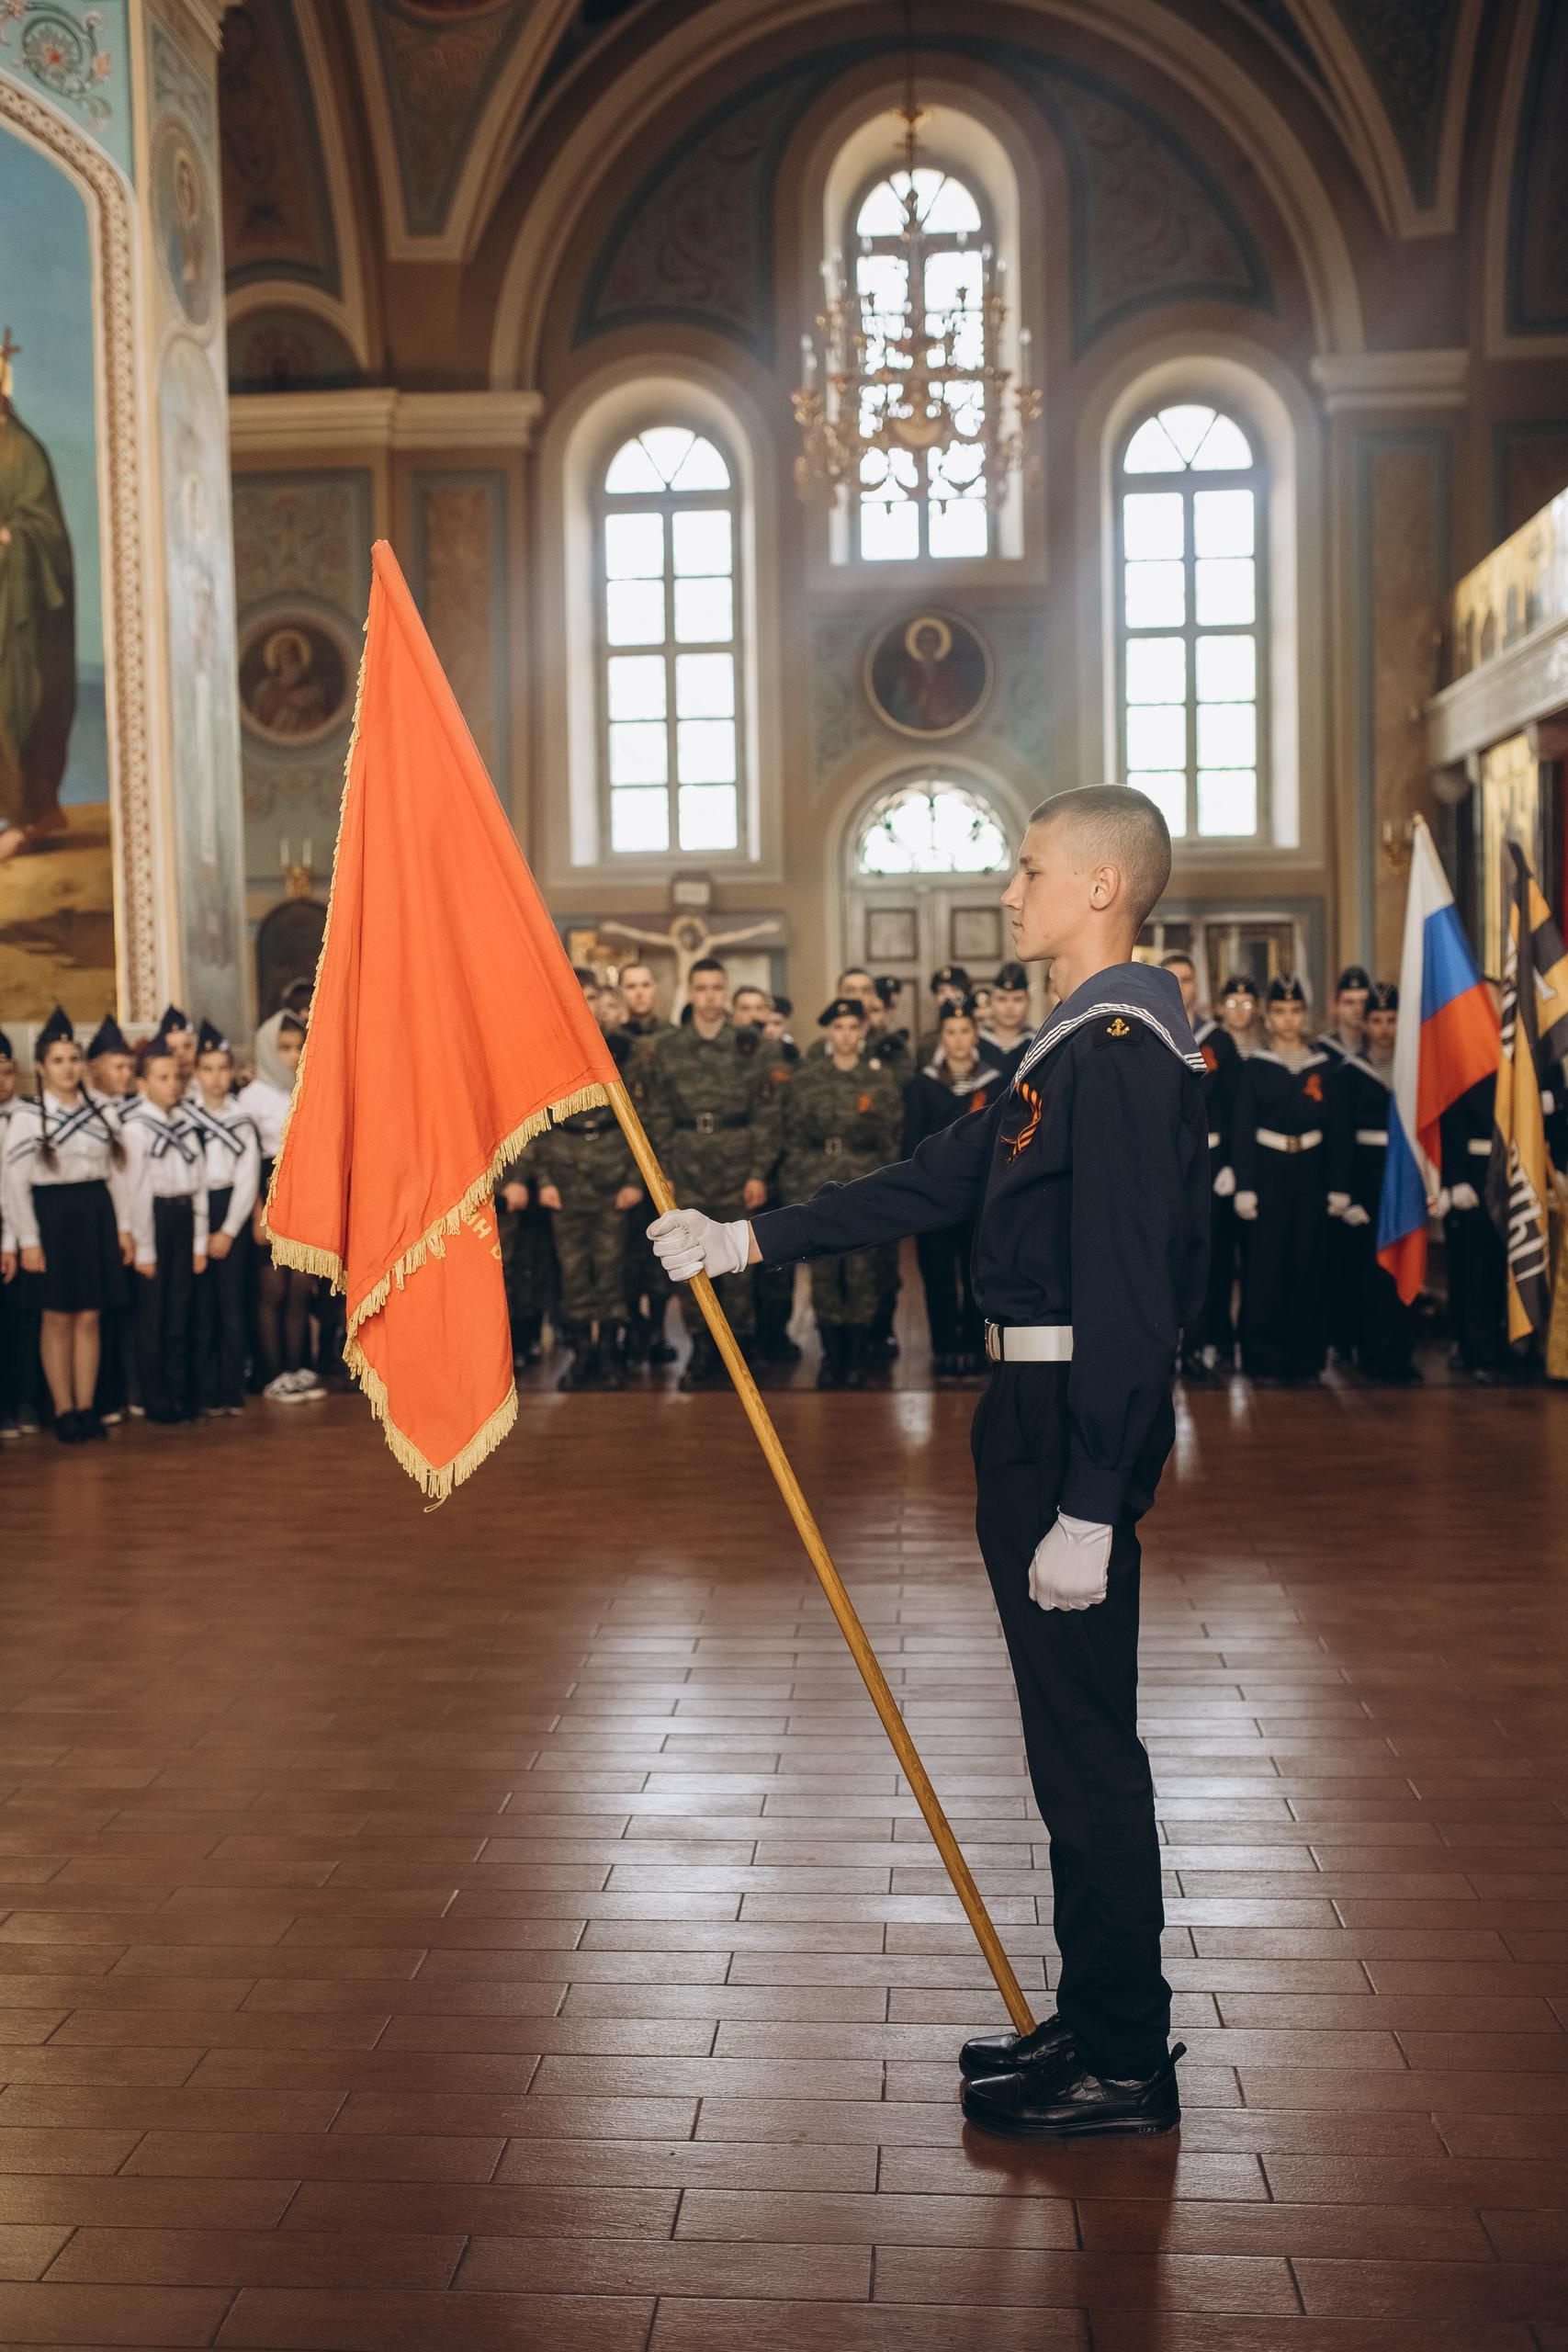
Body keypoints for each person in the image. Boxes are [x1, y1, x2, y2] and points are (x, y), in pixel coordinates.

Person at [649, 784, 1208, 2140]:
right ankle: (1095, 2014)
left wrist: (1092, 1498)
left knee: (1086, 1744)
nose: (1007, 891)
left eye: (1028, 868)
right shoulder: (1066, 1045)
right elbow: (939, 1177)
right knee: (1060, 1737)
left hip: (1068, 1415)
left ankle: (1128, 2060)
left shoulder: (1123, 1045)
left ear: (1100, 887)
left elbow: (1133, 1288)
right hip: (1026, 1408)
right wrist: (746, 1239)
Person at [635, 956, 781, 1388]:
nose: (710, 997)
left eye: (717, 988)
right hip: (686, 1162)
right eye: (701, 988)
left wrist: (758, 1173)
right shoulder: (666, 1047)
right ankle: (701, 1345)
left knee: (740, 1255)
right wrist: (664, 1174)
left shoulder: (751, 1047)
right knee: (690, 1255)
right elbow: (657, 1114)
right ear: (690, 991)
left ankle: (740, 1347)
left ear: (726, 991)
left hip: (738, 1162)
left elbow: (767, 1116)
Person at [1, 1006, 135, 1443]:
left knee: (90, 1315)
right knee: (57, 1316)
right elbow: (14, 1184)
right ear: (41, 1068)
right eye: (57, 1061)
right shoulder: (27, 1118)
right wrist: (28, 1239)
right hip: (52, 1216)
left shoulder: (103, 1113)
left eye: (74, 1059)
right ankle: (63, 1408)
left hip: (95, 1213)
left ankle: (86, 1406)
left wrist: (124, 1227)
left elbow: (118, 1177)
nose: (68, 1068)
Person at [773, 997, 903, 1389]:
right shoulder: (808, 1077)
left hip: (864, 1178)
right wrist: (798, 1187)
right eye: (838, 1028)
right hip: (817, 1178)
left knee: (862, 1270)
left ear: (862, 1032)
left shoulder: (880, 1079)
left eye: (853, 1028)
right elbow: (793, 1136)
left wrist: (886, 1188)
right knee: (825, 1269)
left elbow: (891, 1138)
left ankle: (858, 1356)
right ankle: (832, 1357)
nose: (846, 1035)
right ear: (829, 1033)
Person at [529, 1032, 644, 1390]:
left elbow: (641, 1128)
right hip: (565, 1184)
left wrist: (634, 1181)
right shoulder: (553, 1071)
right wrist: (544, 1181)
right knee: (573, 1272)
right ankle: (581, 1354)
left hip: (613, 1183)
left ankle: (608, 1352)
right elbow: (537, 1127)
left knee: (611, 1269)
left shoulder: (622, 1072)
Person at [1232, 976, 1331, 1383]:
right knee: (1265, 1266)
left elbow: (1336, 1129)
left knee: (1309, 1263)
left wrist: (1338, 1185)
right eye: (1280, 1011)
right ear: (1268, 1016)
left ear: (1304, 1014)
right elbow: (1242, 1127)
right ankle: (1263, 1357)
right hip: (1269, 1170)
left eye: (1295, 1011)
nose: (1288, 1019)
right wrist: (1245, 1185)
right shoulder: (1255, 1066)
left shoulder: (1322, 1065)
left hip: (1312, 1171)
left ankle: (1306, 1358)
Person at [902, 1001, 1006, 1375]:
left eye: (965, 1031)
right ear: (941, 1038)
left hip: (981, 1196)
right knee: (938, 1273)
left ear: (975, 1035)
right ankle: (945, 1347)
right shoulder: (922, 1085)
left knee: (977, 1273)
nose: (959, 1039)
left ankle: (975, 1347)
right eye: (951, 1032)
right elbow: (911, 1143)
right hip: (935, 1195)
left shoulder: (996, 1082)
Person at [1325, 981, 1417, 1382]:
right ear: (1365, 1024)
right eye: (1377, 1020)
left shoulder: (1415, 1072)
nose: (1385, 1029)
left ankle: (1402, 1352)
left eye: (1392, 1020)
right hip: (1366, 1181)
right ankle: (1372, 1352)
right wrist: (1344, 1191)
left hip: (1405, 1179)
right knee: (1368, 1270)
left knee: (1404, 1265)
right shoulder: (1349, 1073)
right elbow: (1340, 1136)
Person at [238, 1010, 323, 1403]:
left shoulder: (308, 1085)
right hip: (267, 1184)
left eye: (297, 1046)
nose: (292, 1055)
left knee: (300, 1286)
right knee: (272, 1287)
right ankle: (271, 1372)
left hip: (303, 1184)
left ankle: (297, 1367)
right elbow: (246, 1161)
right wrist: (257, 1210)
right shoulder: (251, 1097)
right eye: (283, 1048)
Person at [1163, 952, 1241, 1377]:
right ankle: (1163, 1345)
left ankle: (1202, 1343)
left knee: (1208, 1254)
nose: (1180, 986)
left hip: (1211, 1159)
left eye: (1187, 979)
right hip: (1163, 1160)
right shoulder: (1148, 1032)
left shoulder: (1220, 1041)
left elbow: (1235, 1107)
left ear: (1198, 986)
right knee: (1163, 1254)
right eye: (1171, 977)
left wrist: (1230, 1164)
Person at [122, 1043, 208, 1425]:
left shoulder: (186, 1124)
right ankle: (155, 1399)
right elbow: (136, 1191)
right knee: (152, 1315)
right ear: (142, 1084)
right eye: (162, 1077)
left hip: (183, 1217)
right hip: (154, 1220)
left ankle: (179, 1394)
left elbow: (199, 1186)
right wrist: (144, 1248)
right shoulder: (135, 1129)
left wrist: (200, 1241)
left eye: (176, 1077)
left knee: (180, 1311)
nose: (173, 1084)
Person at [186, 1022, 260, 1417]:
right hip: (195, 1213)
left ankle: (231, 1386)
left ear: (232, 1072)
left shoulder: (242, 1120)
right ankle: (204, 1387)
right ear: (196, 1073)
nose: (216, 1077)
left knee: (233, 1304)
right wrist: (203, 1235)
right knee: (201, 1307)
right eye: (208, 1069)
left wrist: (229, 1231)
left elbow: (248, 1179)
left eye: (222, 1068)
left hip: (231, 1211)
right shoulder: (184, 1116)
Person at [1441, 1054, 1508, 1382]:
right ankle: (1479, 1349)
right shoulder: (1468, 1057)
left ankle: (1512, 1348)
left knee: (1507, 1264)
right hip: (1476, 1170)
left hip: (1518, 1168)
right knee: (1476, 1265)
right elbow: (1451, 1118)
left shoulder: (1527, 1054)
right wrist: (1455, 1177)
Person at [0, 1026, 35, 1439]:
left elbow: (15, 1189)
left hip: (15, 1229)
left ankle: (23, 1400)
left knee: (20, 1322)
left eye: (7, 1072)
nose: (2, 1081)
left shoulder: (29, 1116)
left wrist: (11, 1241)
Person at [979, 961, 1034, 1082]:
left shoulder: (1038, 1043)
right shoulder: (974, 1042)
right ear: (991, 1000)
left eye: (1018, 999)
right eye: (1002, 999)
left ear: (1029, 1001)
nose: (1010, 1007)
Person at [1316, 964, 1371, 1066]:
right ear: (1335, 1006)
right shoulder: (1321, 1050)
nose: (1358, 1009)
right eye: (1349, 1002)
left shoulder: (1377, 1048)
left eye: (1363, 1002)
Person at [916, 964, 970, 1065]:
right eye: (941, 991)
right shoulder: (928, 1043)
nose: (947, 996)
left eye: (954, 990)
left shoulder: (979, 1038)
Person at [619, 962, 671, 1044]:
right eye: (631, 986)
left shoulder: (672, 1035)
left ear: (655, 989)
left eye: (645, 985)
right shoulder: (610, 1040)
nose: (639, 993)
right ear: (620, 991)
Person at [1217, 971, 1261, 1057]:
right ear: (1221, 1007)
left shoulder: (1267, 1047)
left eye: (1247, 1004)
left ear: (1256, 1008)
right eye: (1232, 1004)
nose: (1239, 1010)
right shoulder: (1209, 1045)